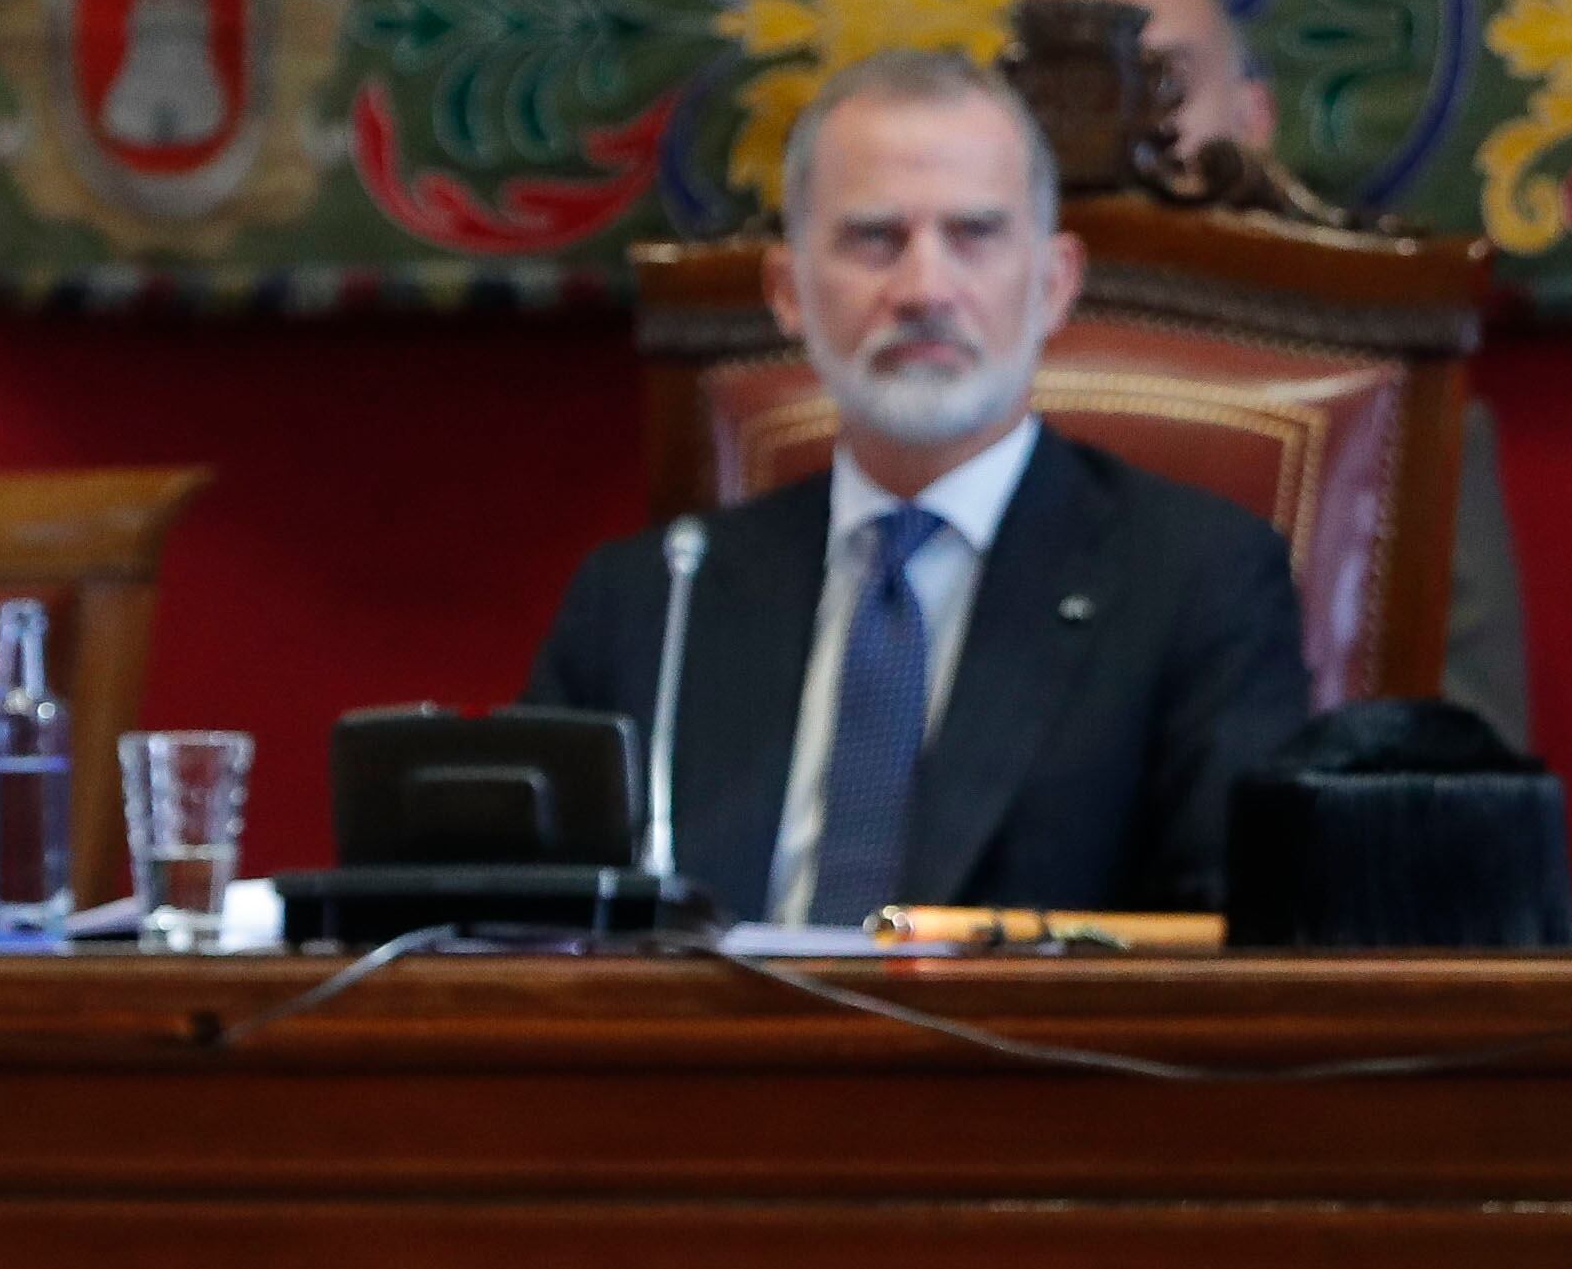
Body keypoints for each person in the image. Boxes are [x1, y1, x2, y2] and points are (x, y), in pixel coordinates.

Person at [523, 49, 1311, 924]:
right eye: (874, 239)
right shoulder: (649, 602)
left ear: (1054, 285)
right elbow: (525, 934)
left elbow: (1240, 943)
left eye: (973, 234)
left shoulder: (1197, 583)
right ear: (787, 292)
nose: (924, 289)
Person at [1034, 0, 1535, 752]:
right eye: (1061, 95)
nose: (1108, 128)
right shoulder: (909, 376)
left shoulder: (1384, 403)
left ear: (1253, 119)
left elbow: (1466, 763)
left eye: (1160, 84)